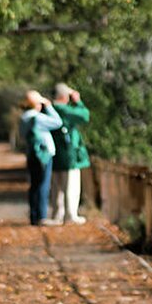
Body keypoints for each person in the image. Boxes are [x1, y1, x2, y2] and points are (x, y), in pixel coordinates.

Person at [18, 90, 62, 226]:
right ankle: (42, 217)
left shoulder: (23, 118)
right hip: (44, 155)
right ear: (37, 104)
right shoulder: (37, 118)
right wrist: (48, 106)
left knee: (34, 185)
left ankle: (34, 216)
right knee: (43, 185)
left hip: (31, 154)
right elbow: (58, 122)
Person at [50, 83, 91, 224]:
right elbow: (85, 116)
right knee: (71, 186)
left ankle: (57, 214)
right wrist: (78, 101)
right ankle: (70, 215)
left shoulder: (50, 108)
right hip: (68, 154)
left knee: (57, 186)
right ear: (64, 96)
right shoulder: (62, 109)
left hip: (55, 154)